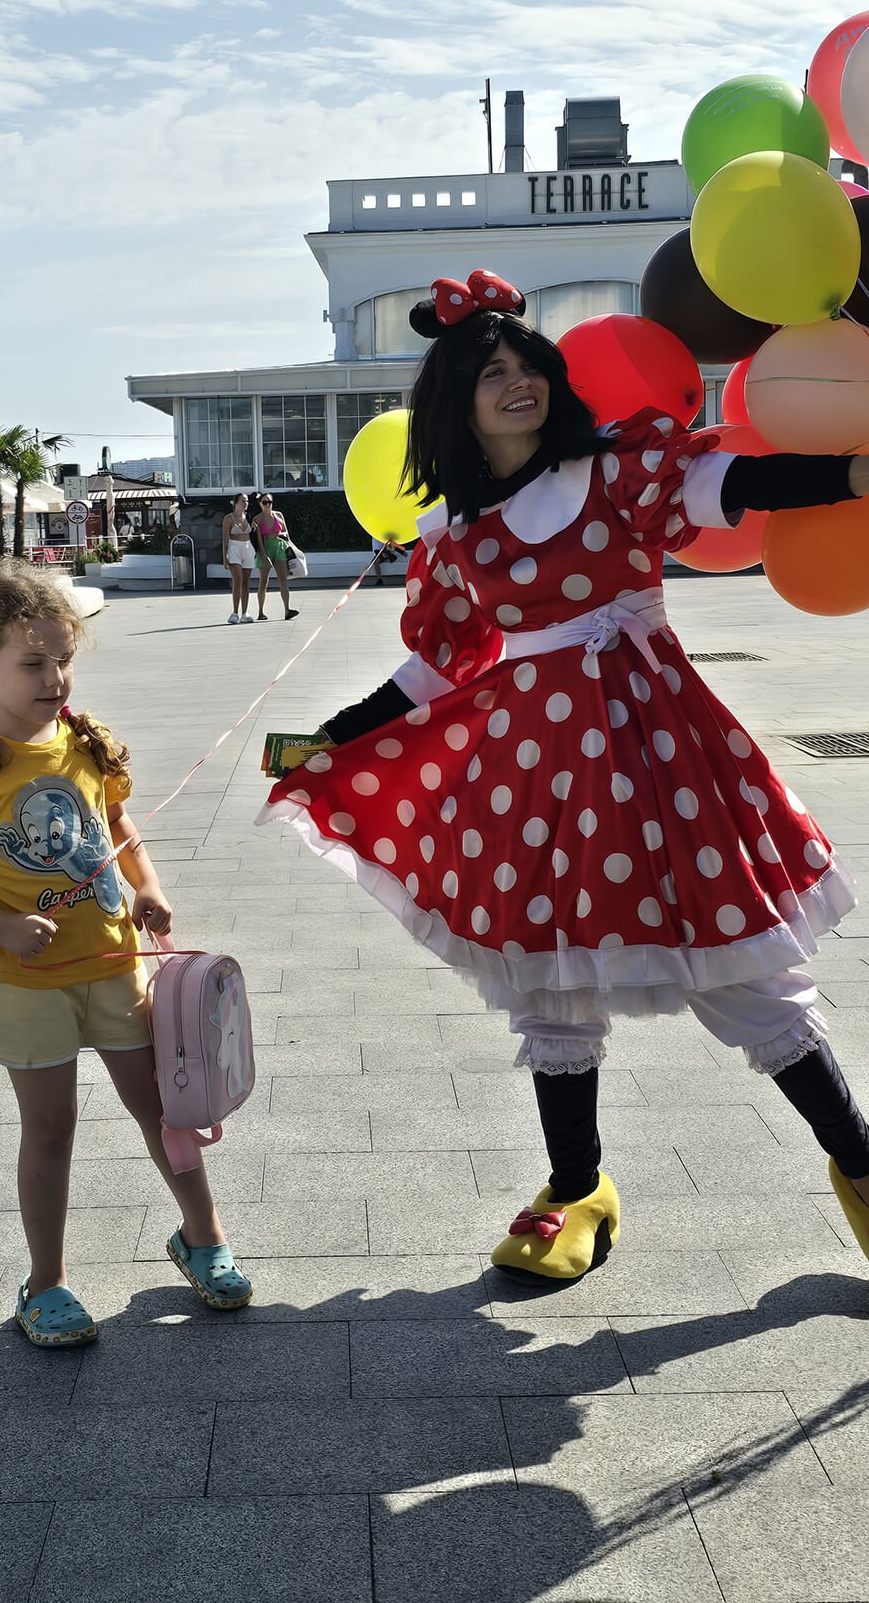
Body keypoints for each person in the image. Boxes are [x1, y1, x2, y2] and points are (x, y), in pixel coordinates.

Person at [257, 270, 869, 1287]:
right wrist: (320, 740)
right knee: (549, 985)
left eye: (525, 364)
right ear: (456, 405)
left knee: (747, 977)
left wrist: (846, 476)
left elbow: (734, 487)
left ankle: (860, 1164)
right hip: (539, 782)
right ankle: (576, 1189)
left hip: (663, 761)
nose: (517, 383)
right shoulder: (460, 535)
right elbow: (430, 674)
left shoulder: (617, 469)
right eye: (489, 373)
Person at [0, 561, 251, 1345]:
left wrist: (147, 886)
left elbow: (119, 827)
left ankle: (202, 1238)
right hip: (24, 984)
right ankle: (47, 1283)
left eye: (62, 660)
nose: (54, 678)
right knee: (50, 1126)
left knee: (161, 1107)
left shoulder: (88, 744)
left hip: (115, 967)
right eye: (33, 663)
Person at [253, 494, 298, 620]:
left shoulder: (278, 515)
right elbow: (258, 540)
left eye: (270, 502)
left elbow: (286, 533)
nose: (268, 504)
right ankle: (260, 611)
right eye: (265, 502)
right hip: (266, 547)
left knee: (283, 579)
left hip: (279, 547)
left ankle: (287, 609)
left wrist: (280, 536)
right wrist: (264, 555)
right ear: (260, 503)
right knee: (263, 581)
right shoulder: (257, 519)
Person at [222, 493, 256, 625]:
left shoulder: (248, 517)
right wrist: (225, 557)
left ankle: (245, 612)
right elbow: (225, 539)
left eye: (246, 501)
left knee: (246, 582)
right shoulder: (228, 518)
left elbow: (255, 532)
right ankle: (235, 612)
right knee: (237, 580)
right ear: (236, 502)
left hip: (247, 548)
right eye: (243, 501)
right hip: (233, 548)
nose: (246, 503)